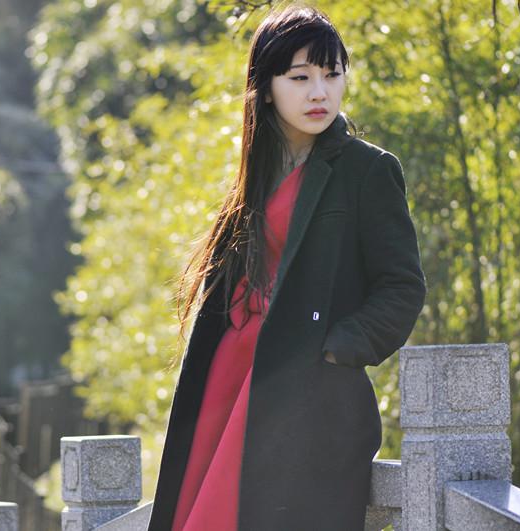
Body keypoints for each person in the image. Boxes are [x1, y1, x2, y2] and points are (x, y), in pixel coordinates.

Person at [148, 3, 427, 530]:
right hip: (229, 375)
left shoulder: (368, 170)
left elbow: (402, 286)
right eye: (300, 78)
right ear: (266, 87)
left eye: (332, 74)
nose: (319, 92)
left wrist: (338, 348)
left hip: (305, 386)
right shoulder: (251, 176)